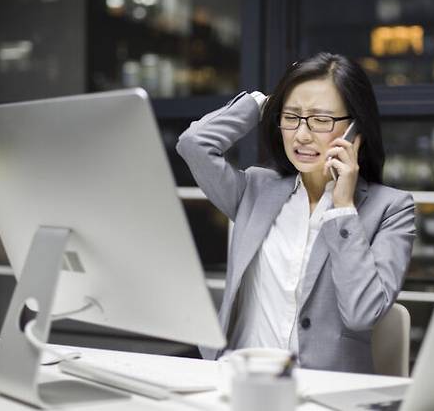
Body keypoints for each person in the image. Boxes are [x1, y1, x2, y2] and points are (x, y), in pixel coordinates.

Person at [176, 52, 416, 373]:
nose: (302, 135)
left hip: (323, 393)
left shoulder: (390, 209)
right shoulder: (256, 190)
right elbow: (194, 144)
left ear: (355, 130)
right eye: (292, 118)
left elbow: (362, 314)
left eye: (320, 119)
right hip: (238, 383)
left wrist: (342, 208)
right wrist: (266, 104)